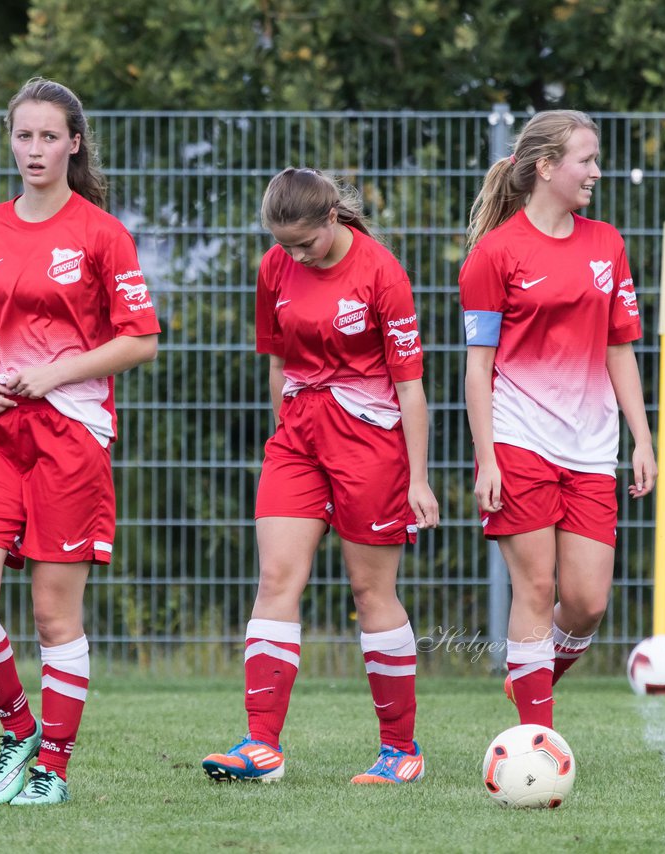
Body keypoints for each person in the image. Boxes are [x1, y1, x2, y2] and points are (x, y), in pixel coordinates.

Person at [0, 77, 160, 806]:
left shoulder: (101, 232)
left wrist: (54, 373)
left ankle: (53, 769)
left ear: (74, 143)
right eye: (23, 136)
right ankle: (17, 727)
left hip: (73, 437)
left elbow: (140, 341)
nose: (34, 149)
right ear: (12, 142)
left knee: (54, 614)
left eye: (47, 136)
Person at [202, 167, 440, 785]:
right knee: (276, 577)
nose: (294, 255)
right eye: (283, 245)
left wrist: (419, 478)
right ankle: (260, 746)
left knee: (370, 594)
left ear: (333, 218)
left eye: (304, 243)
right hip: (298, 436)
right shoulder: (273, 267)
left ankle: (400, 751)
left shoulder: (382, 273)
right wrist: (281, 428)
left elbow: (411, 390)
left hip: (371, 442)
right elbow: (279, 360)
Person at [458, 110, 656, 730]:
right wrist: (486, 455)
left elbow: (619, 348)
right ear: (546, 167)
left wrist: (642, 439)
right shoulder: (494, 255)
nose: (597, 172)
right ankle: (533, 741)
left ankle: (529, 685)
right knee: (536, 589)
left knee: (589, 603)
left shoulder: (607, 243)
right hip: (519, 440)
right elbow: (477, 368)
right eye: (586, 160)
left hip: (593, 448)